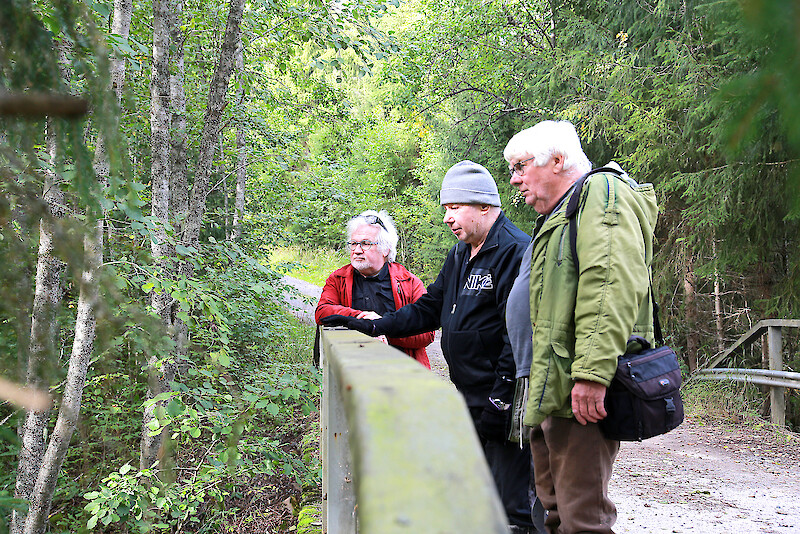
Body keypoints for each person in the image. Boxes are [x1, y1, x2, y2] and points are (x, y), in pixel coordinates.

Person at [322, 162, 540, 533]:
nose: (447, 218)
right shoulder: (460, 253)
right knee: (477, 496)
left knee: (513, 504)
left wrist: (501, 400)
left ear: (485, 206)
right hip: (467, 394)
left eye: (454, 208)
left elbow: (517, 334)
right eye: (444, 209)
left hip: (501, 397)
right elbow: (429, 309)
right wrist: (372, 324)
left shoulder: (515, 252)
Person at [505, 120, 658, 533]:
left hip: (578, 389)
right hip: (553, 386)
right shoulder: (564, 210)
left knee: (582, 519)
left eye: (520, 167)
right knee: (555, 512)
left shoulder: (600, 194)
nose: (516, 180)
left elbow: (609, 283)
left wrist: (591, 374)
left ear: (557, 161)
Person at [315, 210, 435, 368]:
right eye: (353, 243)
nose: (357, 250)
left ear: (386, 249)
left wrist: (382, 327)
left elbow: (426, 332)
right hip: (352, 371)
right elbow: (322, 312)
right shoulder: (338, 279)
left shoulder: (409, 283)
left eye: (365, 243)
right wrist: (362, 319)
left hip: (403, 373)